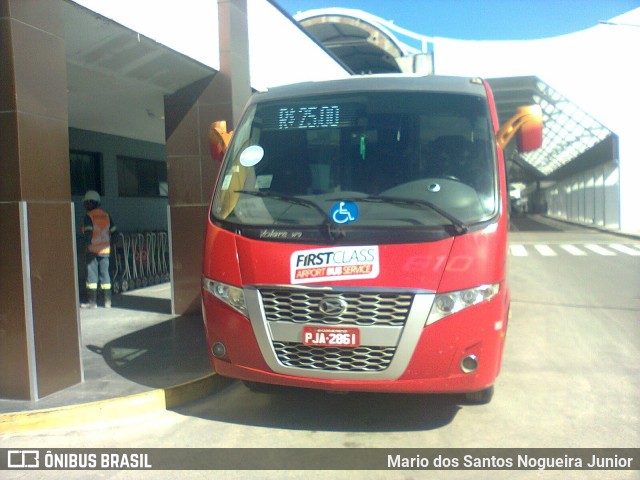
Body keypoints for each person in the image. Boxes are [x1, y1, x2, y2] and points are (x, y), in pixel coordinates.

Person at [81, 190, 117, 309]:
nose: (85, 205)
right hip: (105, 251)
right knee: (105, 275)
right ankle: (108, 302)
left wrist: (86, 245)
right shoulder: (107, 215)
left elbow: (88, 232)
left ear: (91, 203)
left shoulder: (89, 216)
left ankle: (92, 303)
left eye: (86, 203)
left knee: (92, 277)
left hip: (92, 251)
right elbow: (114, 232)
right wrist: (112, 243)